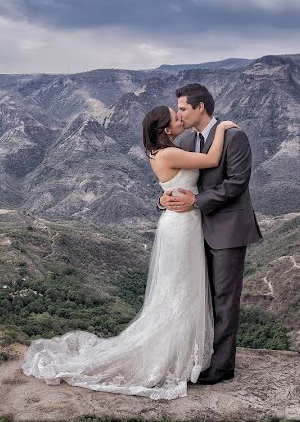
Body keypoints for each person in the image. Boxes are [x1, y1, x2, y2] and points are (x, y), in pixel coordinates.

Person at [21, 105, 238, 400]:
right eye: (176, 118)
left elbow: (173, 183)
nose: (180, 119)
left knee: (179, 289)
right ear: (165, 129)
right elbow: (212, 158)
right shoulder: (170, 153)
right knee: (180, 291)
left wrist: (164, 198)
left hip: (181, 221)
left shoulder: (162, 152)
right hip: (183, 225)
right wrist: (223, 128)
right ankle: (175, 354)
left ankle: (181, 351)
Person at [160, 83, 262, 385]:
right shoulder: (189, 139)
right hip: (192, 232)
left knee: (225, 299)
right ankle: (202, 357)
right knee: (198, 297)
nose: (178, 114)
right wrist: (163, 199)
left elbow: (237, 183)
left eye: (182, 108)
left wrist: (197, 202)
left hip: (227, 230)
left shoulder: (234, 136)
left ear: (200, 107)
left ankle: (222, 366)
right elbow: (177, 178)